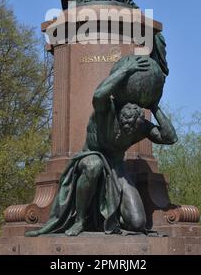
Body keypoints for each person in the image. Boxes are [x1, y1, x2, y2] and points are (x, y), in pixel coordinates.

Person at [26, 53, 177, 237]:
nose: (128, 129)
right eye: (125, 123)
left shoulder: (140, 125)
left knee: (138, 223)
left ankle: (109, 217)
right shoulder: (105, 110)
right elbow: (98, 94)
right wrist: (125, 70)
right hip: (90, 156)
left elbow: (169, 137)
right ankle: (81, 220)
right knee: (93, 165)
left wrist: (154, 106)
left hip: (117, 169)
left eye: (132, 126)